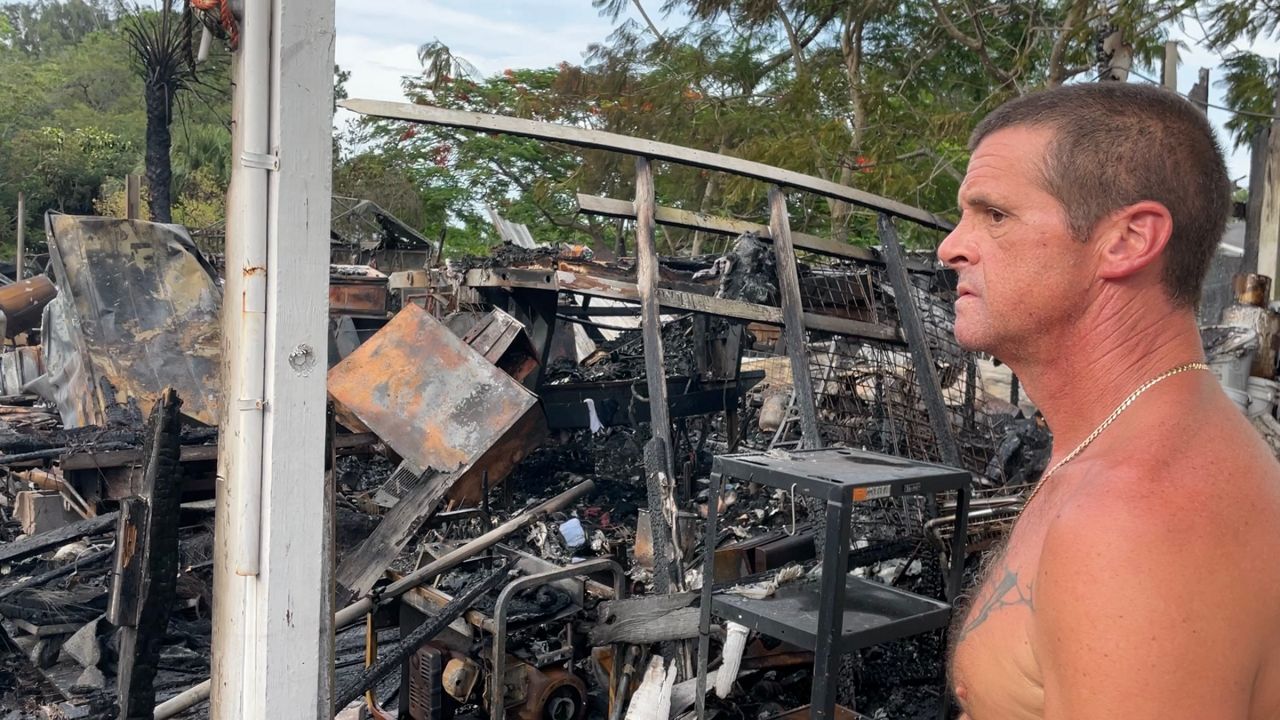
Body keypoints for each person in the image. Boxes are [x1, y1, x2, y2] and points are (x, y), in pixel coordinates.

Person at [939, 82, 1280, 719]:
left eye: (995, 215)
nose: (951, 246)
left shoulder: (1136, 519)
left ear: (1127, 240)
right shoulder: (1128, 442)